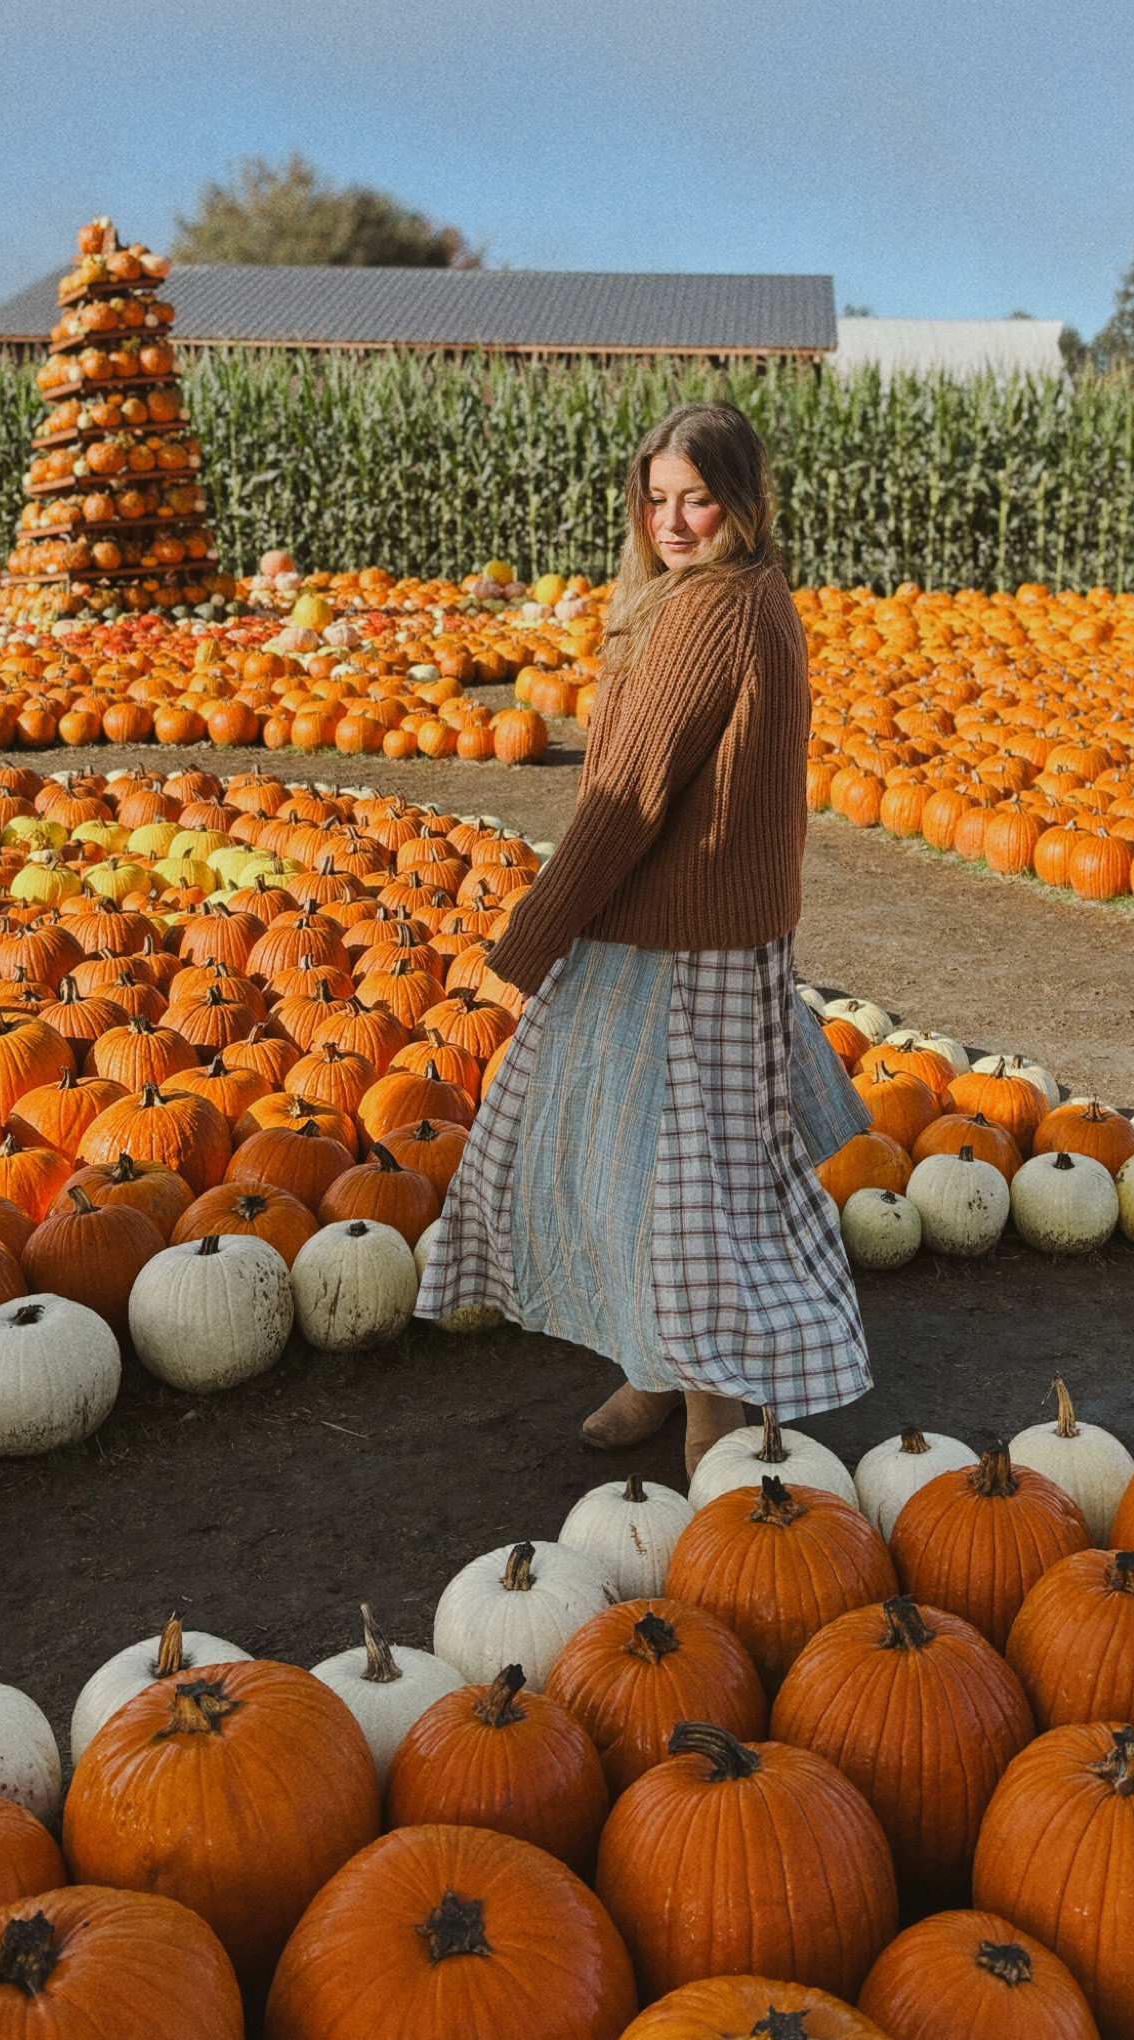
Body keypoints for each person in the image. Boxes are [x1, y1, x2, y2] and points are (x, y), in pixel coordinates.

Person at [416, 401, 872, 1475]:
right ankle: (661, 1366)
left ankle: (710, 1393)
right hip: (693, 923)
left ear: (740, 502)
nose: (671, 521)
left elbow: (627, 796)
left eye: (695, 499)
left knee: (690, 1177)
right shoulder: (717, 594)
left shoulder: (717, 607)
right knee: (652, 1164)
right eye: (657, 498)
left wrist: (531, 935)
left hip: (690, 937)